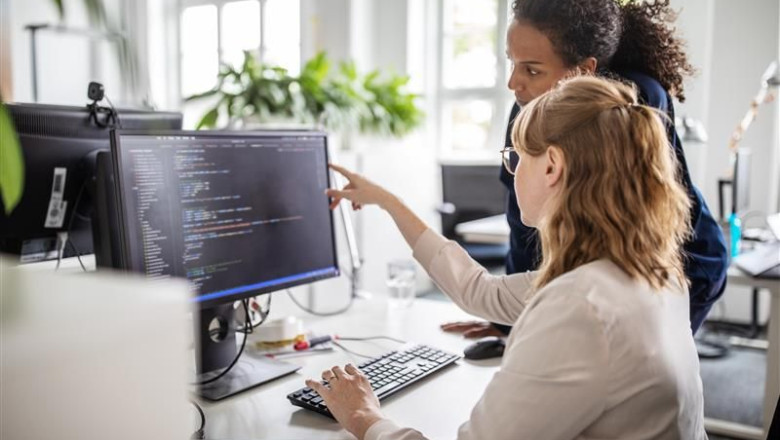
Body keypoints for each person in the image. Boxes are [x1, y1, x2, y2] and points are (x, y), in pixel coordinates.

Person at [308, 76, 706, 439]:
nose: (512, 173)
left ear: (552, 166)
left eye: (515, 158)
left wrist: (363, 417)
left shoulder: (581, 306)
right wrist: (390, 203)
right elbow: (482, 291)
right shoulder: (647, 272)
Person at [442, 0, 728, 341]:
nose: (513, 83)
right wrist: (509, 322)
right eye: (512, 63)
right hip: (604, 273)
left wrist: (533, 322)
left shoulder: (633, 103)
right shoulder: (525, 112)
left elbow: (628, 236)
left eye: (532, 70)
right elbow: (523, 225)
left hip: (681, 264)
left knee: (628, 373)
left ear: (584, 69)